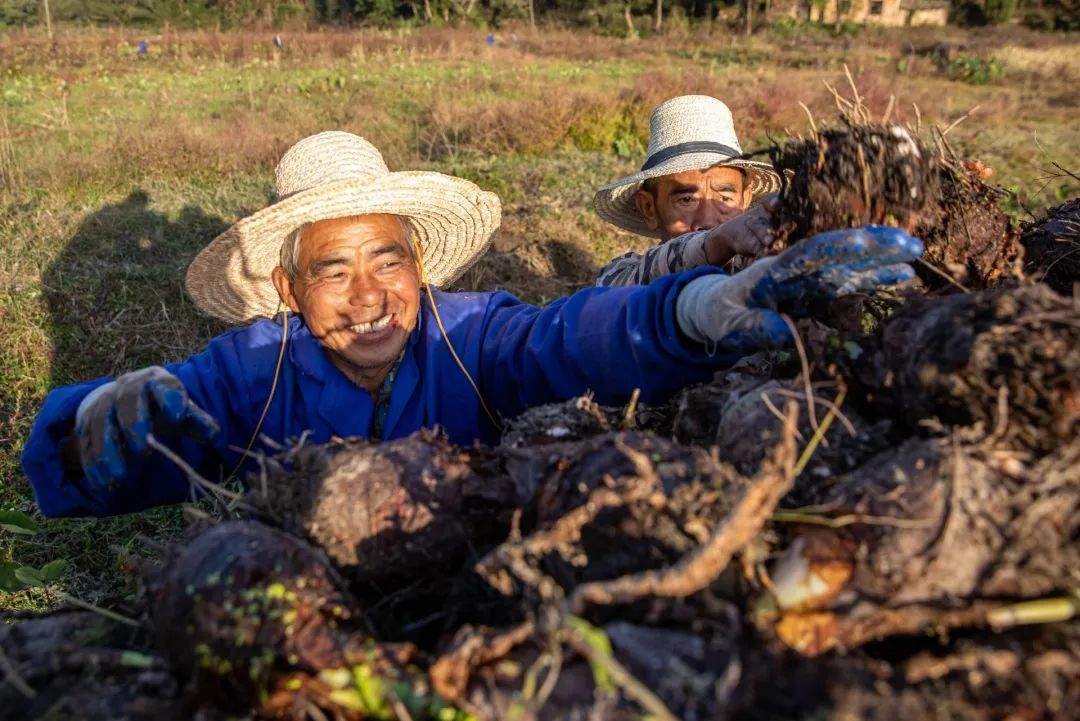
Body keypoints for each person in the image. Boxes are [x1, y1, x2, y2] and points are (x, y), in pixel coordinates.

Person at [21, 131, 923, 519]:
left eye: (389, 260)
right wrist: (90, 424)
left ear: (420, 266)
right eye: (333, 270)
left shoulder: (471, 335)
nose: (370, 296)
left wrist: (698, 305)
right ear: (289, 290)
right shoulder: (249, 372)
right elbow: (95, 470)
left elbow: (574, 335)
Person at [594, 95, 781, 287]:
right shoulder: (621, 277)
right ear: (649, 208)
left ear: (745, 201)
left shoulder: (762, 269)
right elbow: (616, 290)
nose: (707, 221)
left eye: (724, 198)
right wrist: (721, 239)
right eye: (686, 200)